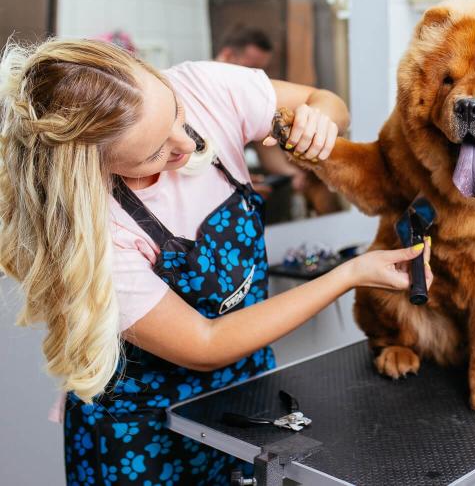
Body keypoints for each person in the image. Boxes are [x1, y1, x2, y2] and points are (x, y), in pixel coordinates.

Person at [0, 38, 432, 485]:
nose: (185, 143)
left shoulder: (201, 86)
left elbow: (324, 101)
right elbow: (204, 344)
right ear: (94, 165)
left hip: (247, 393)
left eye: (175, 114)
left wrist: (319, 120)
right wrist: (350, 274)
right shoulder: (96, 228)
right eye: (154, 153)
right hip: (140, 430)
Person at [214, 26, 311, 202]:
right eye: (251, 68)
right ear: (227, 56)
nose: (256, 78)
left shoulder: (247, 95)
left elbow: (264, 144)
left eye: (260, 70)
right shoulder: (201, 93)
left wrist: (291, 173)